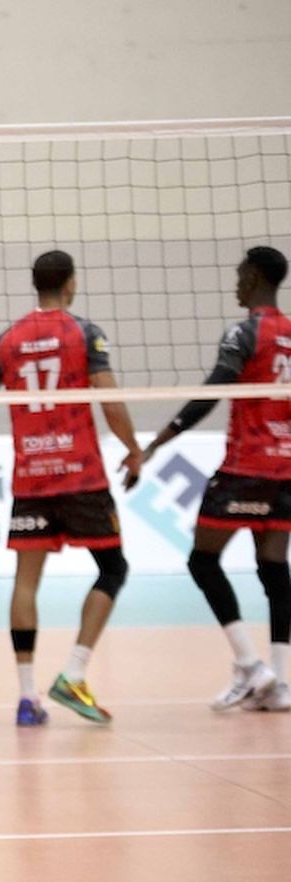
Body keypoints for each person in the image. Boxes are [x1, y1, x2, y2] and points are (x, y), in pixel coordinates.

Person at [0, 251, 141, 726]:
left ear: (34, 283)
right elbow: (109, 398)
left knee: (26, 580)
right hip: (81, 474)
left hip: (32, 476)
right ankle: (74, 673)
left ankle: (27, 698)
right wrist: (134, 448)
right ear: (70, 283)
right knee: (114, 567)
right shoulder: (84, 332)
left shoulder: (7, 340)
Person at [140, 246, 291, 710]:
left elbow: (213, 391)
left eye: (241, 273)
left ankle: (251, 666)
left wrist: (157, 443)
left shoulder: (245, 331)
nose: (236, 282)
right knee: (273, 568)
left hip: (246, 467)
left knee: (202, 561)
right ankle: (280, 684)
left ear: (256, 276)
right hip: (286, 467)